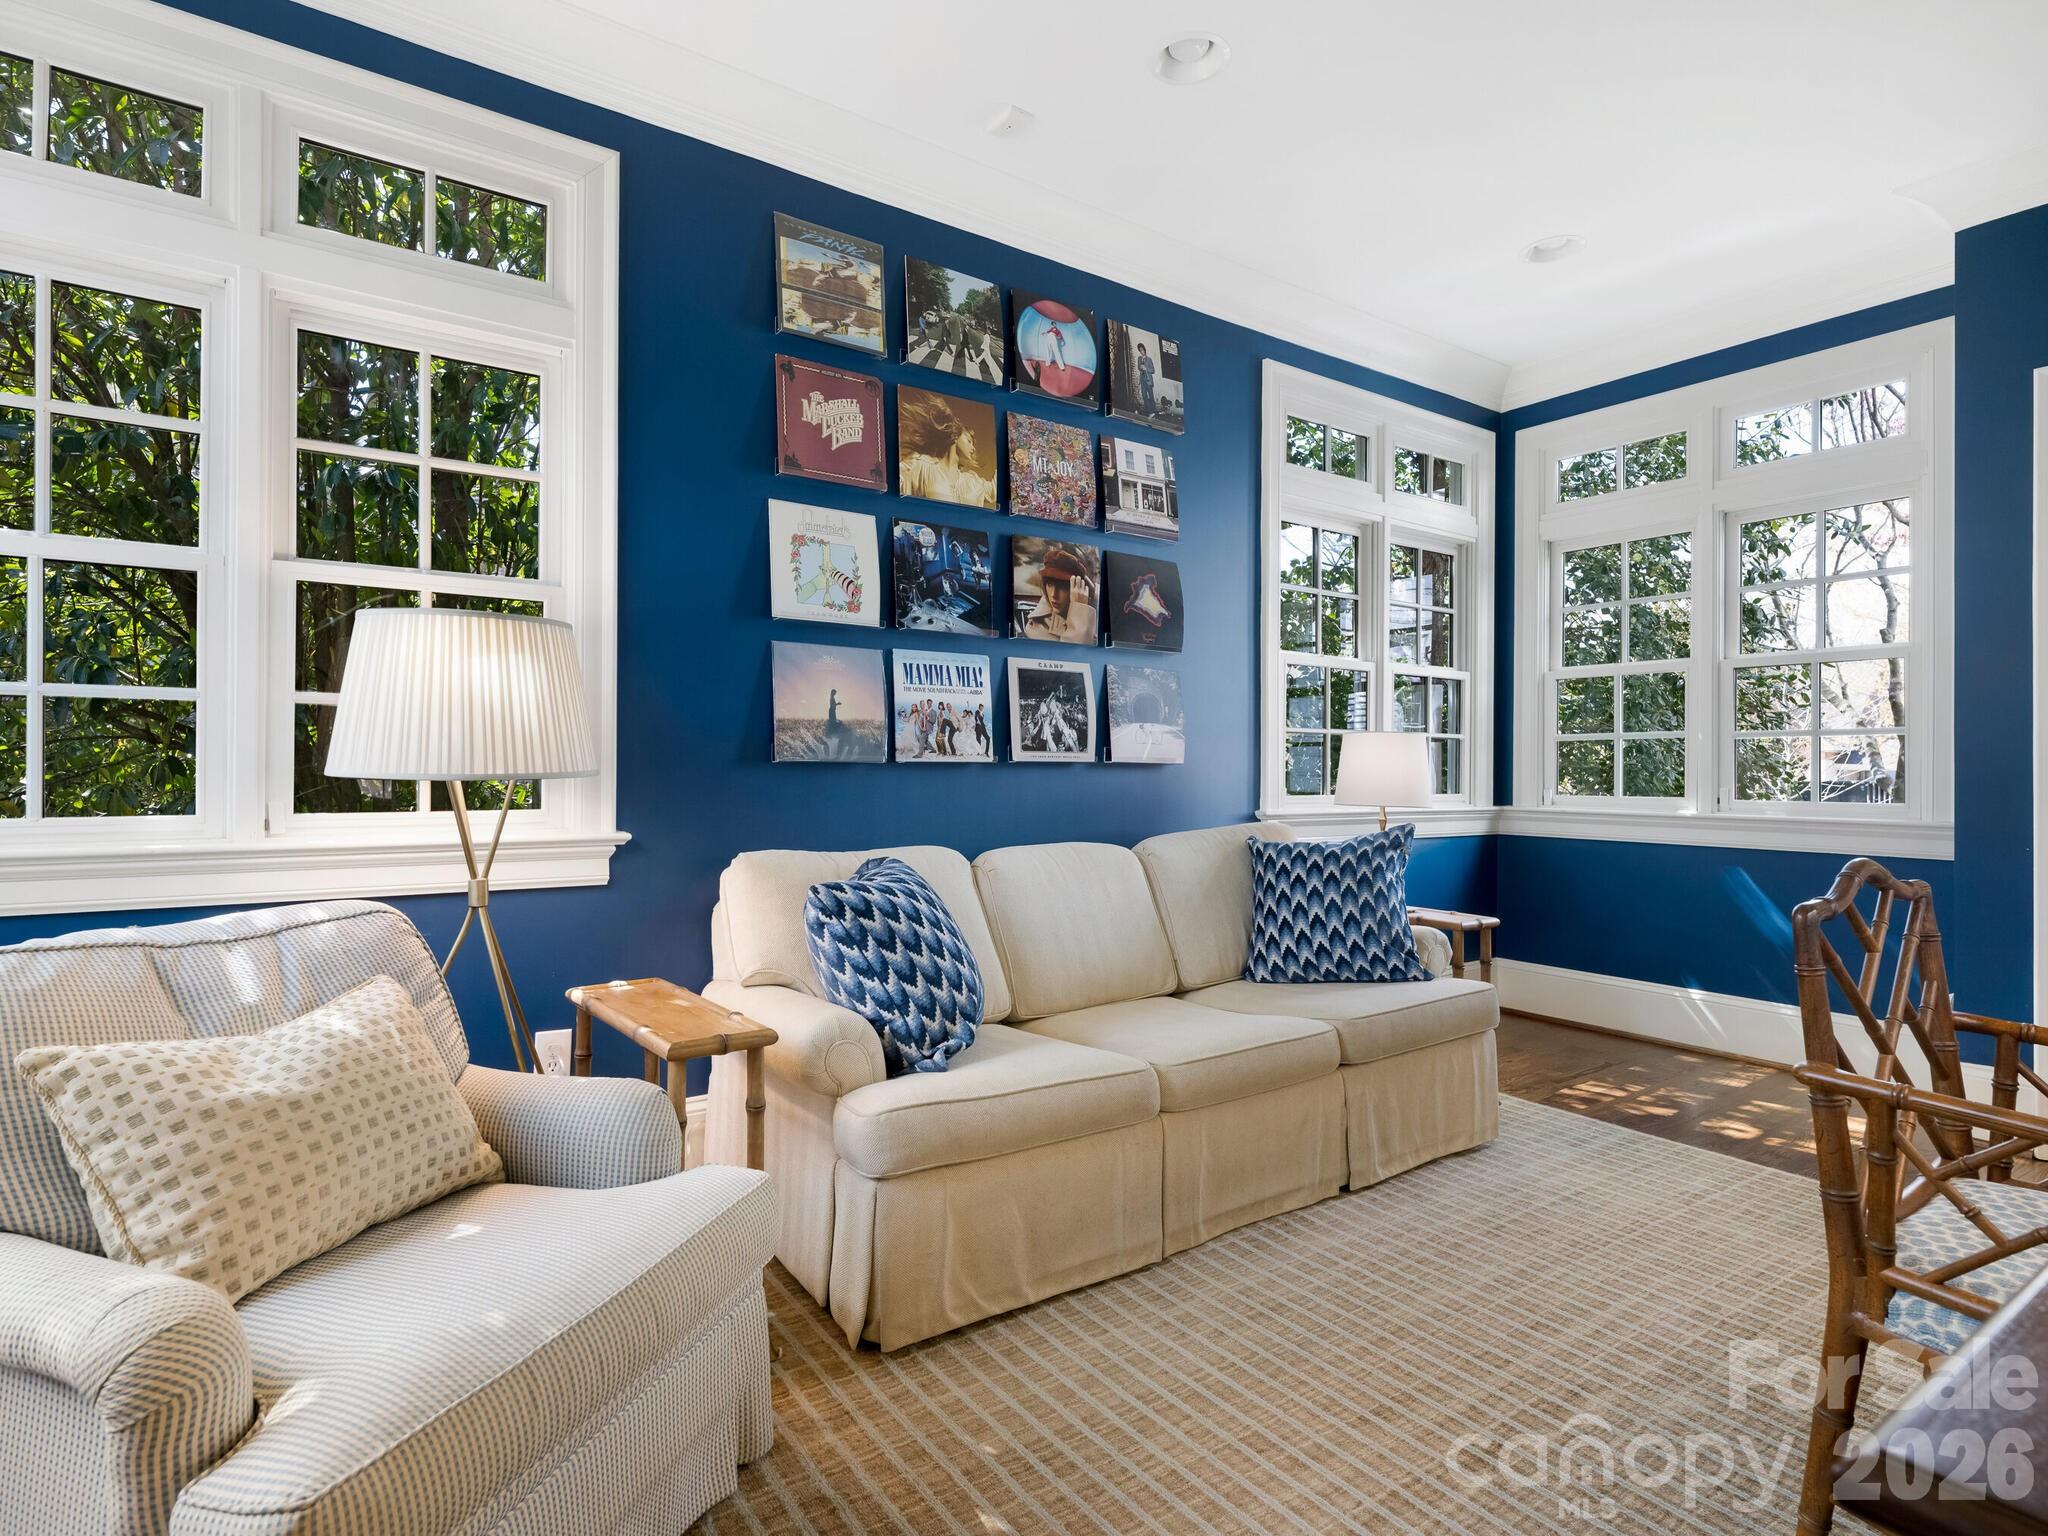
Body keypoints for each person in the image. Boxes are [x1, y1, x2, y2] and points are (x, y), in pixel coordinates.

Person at [898, 390, 995, 508]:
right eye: (969, 441)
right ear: (956, 435)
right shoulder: (921, 466)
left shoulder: (972, 482)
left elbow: (997, 490)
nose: (973, 448)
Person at [1019, 546, 1097, 643]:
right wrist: (1080, 611)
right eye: (1050, 584)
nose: (1053, 595)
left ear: (1079, 588)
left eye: (1062, 587)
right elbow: (1074, 654)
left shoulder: (1097, 603)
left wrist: (1080, 607)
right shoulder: (1039, 626)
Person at [1135, 340, 1155, 416]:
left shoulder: (1149, 359)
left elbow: (1153, 370)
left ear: (1145, 350)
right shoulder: (1139, 358)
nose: (1141, 351)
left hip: (1148, 380)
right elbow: (1138, 367)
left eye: (1142, 350)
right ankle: (1148, 411)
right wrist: (1140, 367)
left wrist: (1146, 368)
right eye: (1140, 350)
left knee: (1150, 395)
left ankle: (1153, 411)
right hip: (1142, 379)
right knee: (1144, 395)